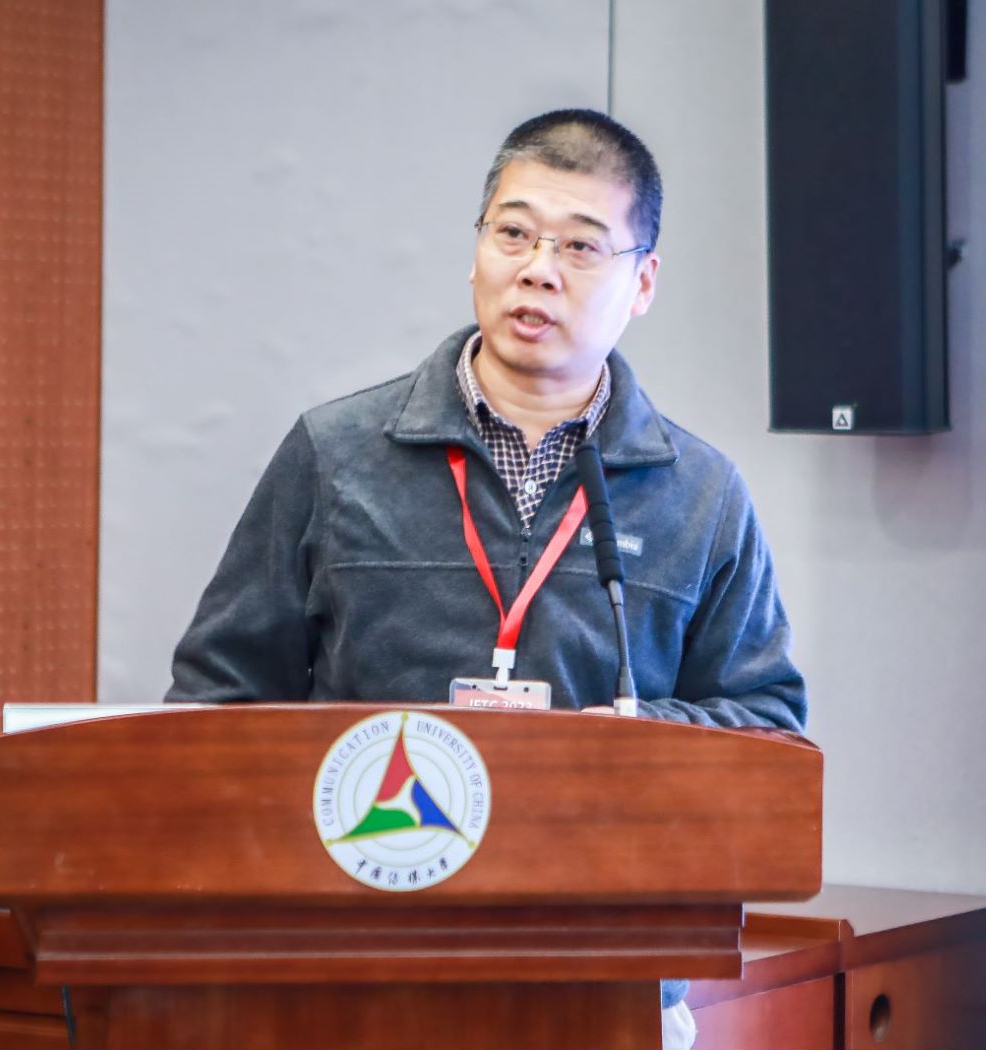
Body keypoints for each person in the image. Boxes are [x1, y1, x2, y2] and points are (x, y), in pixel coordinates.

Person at [167, 109, 807, 1048]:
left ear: (643, 283)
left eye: (581, 246)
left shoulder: (700, 493)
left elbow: (770, 730)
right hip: (354, 973)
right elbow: (216, 705)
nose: (538, 269)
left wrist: (632, 739)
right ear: (476, 253)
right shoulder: (336, 455)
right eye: (514, 232)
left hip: (607, 982)